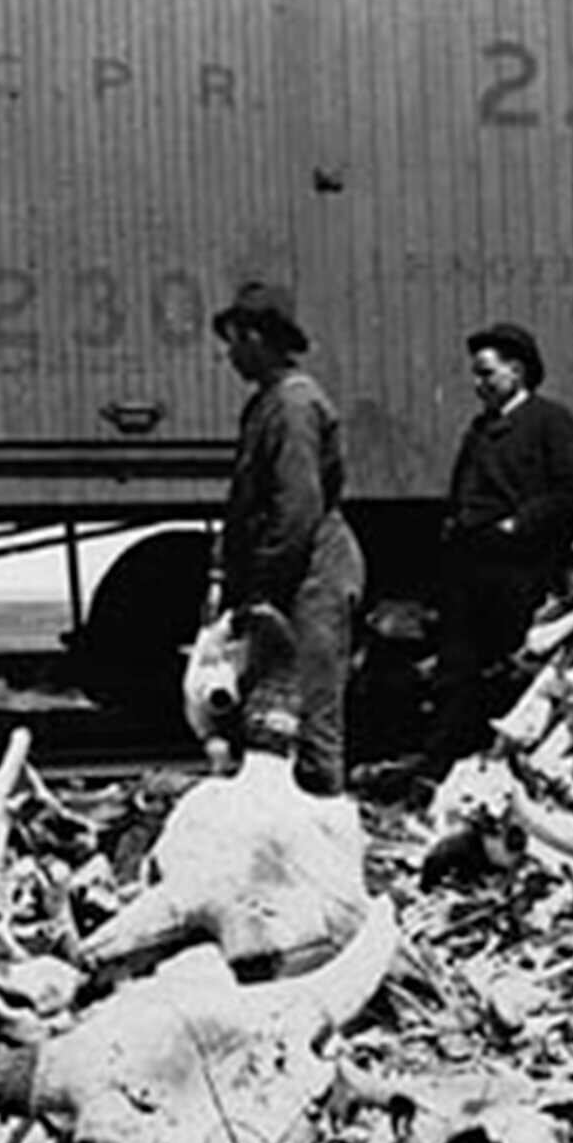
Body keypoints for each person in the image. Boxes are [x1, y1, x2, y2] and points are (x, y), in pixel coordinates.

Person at [207, 281, 366, 796]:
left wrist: (262, 586)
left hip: (309, 574)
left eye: (234, 341)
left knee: (312, 718)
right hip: (299, 570)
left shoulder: (293, 405)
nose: (229, 354)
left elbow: (296, 509)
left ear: (256, 337)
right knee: (277, 718)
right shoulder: (273, 402)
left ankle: (323, 839)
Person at [424, 321, 573, 778]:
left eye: (487, 374)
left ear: (517, 372)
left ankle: (507, 772)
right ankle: (448, 771)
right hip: (471, 567)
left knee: (511, 674)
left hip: (521, 569)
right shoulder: (480, 429)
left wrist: (518, 523)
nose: (477, 385)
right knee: (460, 673)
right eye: (476, 375)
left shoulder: (550, 422)